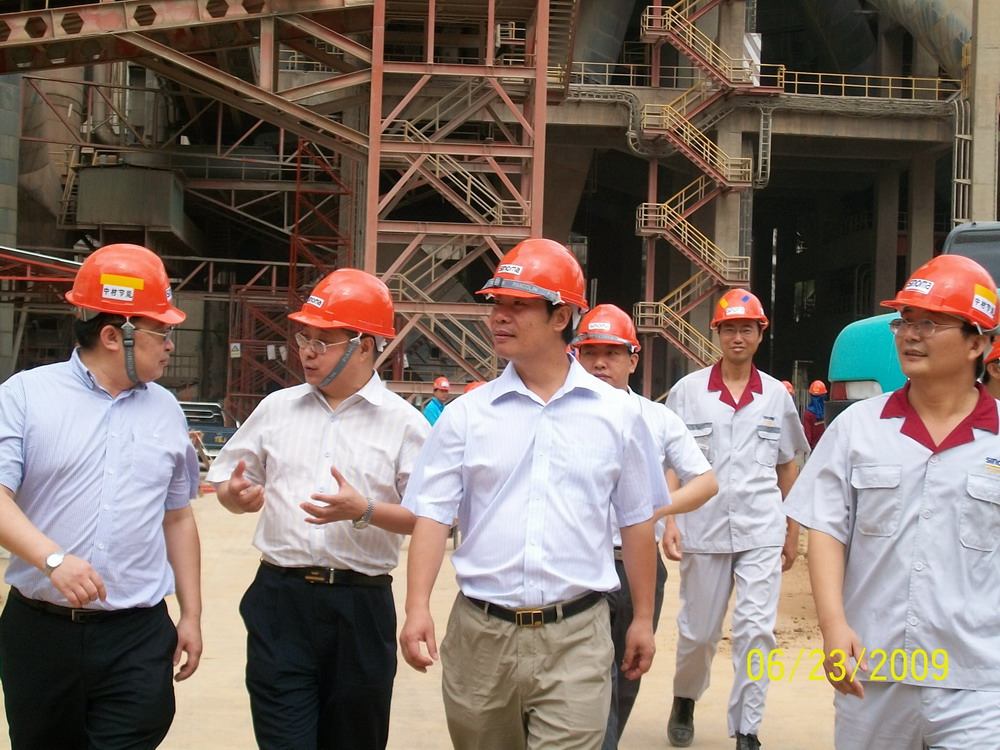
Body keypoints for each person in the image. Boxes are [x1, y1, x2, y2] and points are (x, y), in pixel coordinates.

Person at [398, 238, 669, 750]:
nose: (499, 316)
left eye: (518, 304)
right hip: (481, 638)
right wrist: (416, 607)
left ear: (560, 316)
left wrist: (641, 619)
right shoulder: (465, 416)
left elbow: (637, 521)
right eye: (496, 303)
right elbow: (432, 518)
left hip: (577, 637)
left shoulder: (618, 416)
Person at [206, 268, 430, 750]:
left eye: (322, 341)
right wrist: (234, 497)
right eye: (304, 338)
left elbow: (428, 520)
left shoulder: (405, 425)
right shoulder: (276, 409)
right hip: (280, 600)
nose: (306, 352)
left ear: (364, 346)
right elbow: (227, 481)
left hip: (360, 607)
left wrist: (364, 509)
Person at [786, 255, 1000, 749]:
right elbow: (827, 530)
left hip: (979, 680)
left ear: (978, 343)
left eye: (930, 323)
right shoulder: (857, 429)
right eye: (904, 321)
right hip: (873, 669)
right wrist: (833, 626)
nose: (910, 336)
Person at [0, 243, 202, 749]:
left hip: (137, 635)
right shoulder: (25, 396)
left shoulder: (167, 410)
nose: (170, 345)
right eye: (161, 332)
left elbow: (177, 518)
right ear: (114, 336)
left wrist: (192, 614)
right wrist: (52, 560)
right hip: (41, 634)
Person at [665, 288, 809, 750]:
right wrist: (670, 521)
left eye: (747, 329)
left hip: (760, 528)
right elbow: (669, 463)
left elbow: (788, 465)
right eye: (729, 329)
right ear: (718, 334)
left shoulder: (776, 397)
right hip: (703, 528)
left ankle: (748, 728)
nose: (738, 337)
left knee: (756, 631)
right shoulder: (688, 393)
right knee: (699, 633)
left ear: (760, 334)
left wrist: (792, 530)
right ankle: (685, 698)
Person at [572, 304, 718, 750]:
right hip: (579, 564)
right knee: (582, 678)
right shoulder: (560, 414)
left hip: (636, 567)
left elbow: (706, 482)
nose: (599, 363)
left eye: (611, 353)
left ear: (633, 360)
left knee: (626, 673)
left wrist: (651, 512)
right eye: (590, 352)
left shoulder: (657, 419)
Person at [802, 380, 828, 449]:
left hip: (815, 449)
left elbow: (808, 435)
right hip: (827, 447)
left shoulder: (808, 413)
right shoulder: (828, 410)